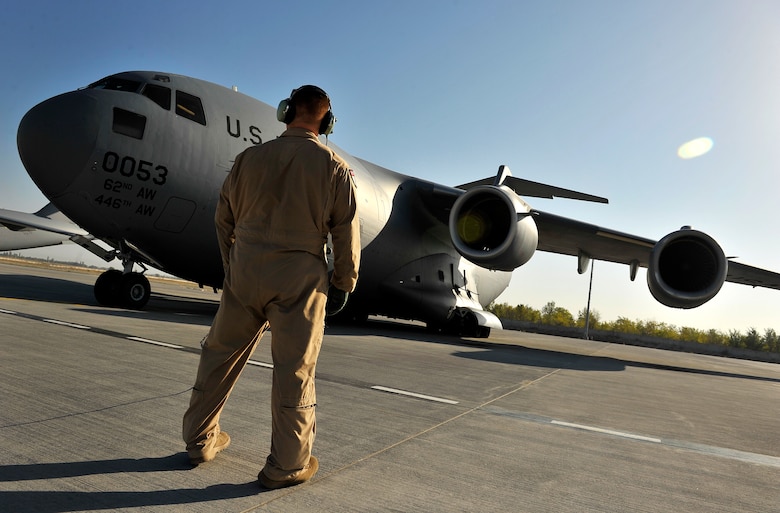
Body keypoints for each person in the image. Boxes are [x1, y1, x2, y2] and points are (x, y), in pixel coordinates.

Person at [182, 85, 360, 490]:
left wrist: (233, 266)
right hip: (299, 279)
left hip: (245, 272)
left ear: (286, 112)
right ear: (327, 122)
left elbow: (222, 218)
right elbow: (347, 230)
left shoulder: (248, 159)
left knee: (218, 356)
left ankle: (198, 440)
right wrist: (343, 282)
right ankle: (286, 466)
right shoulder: (333, 166)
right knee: (294, 370)